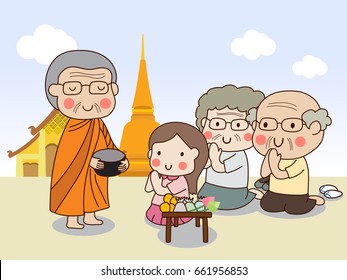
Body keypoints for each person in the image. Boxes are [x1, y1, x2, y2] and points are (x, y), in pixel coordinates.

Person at [46, 50, 129, 229]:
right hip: (77, 169)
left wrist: (121, 160)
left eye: (99, 88)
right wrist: (89, 161)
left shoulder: (98, 123)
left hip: (96, 168)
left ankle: (90, 214)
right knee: (75, 188)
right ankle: (73, 218)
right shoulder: (73, 127)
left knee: (94, 189)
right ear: (55, 91)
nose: (87, 100)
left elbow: (108, 144)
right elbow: (68, 154)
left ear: (113, 90)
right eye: (73, 88)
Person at [252, 90, 331, 214]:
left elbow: (281, 174)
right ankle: (265, 195)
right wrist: (268, 159)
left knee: (295, 209)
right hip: (275, 192)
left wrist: (273, 163)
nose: (277, 137)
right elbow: (264, 173)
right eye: (266, 124)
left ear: (314, 128)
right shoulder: (272, 155)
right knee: (267, 206)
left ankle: (311, 200)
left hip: (296, 195)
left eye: (292, 125)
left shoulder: (298, 161)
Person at [195, 84, 265, 210]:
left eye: (238, 125)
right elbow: (205, 165)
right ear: (204, 123)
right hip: (210, 186)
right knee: (202, 198)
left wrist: (214, 157)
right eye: (217, 124)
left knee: (221, 204)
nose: (226, 135)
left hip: (232, 192)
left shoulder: (238, 155)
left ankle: (250, 195)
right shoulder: (213, 149)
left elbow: (219, 168)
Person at [145, 122, 208, 225]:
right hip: (156, 207)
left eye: (181, 154)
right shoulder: (157, 175)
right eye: (159, 153)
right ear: (150, 153)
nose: (168, 164)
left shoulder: (180, 180)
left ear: (193, 155)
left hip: (174, 210)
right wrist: (152, 179)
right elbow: (148, 189)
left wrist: (154, 178)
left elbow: (163, 192)